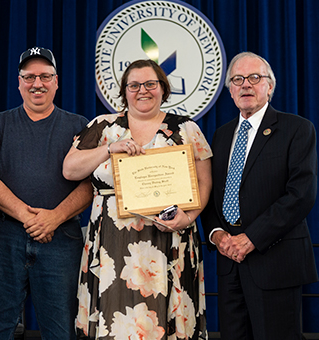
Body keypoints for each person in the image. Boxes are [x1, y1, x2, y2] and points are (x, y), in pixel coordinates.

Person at [63, 59, 211, 339]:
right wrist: (109, 149)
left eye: (150, 84)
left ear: (163, 89)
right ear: (124, 91)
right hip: (111, 246)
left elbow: (204, 181)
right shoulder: (103, 127)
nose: (142, 90)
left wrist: (188, 218)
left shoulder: (186, 129)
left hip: (171, 239)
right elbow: (70, 169)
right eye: (134, 85)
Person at [201, 52, 318, 340]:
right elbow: (213, 194)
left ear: (270, 86)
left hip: (275, 261)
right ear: (229, 90)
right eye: (238, 80)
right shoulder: (221, 135)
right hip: (230, 264)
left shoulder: (297, 129)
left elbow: (301, 194)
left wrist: (252, 237)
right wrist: (217, 234)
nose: (246, 85)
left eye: (255, 78)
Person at [0, 47, 93, 340]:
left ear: (56, 82)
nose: (37, 83)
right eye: (29, 77)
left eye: (44, 76)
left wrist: (54, 218)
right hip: (5, 237)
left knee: (60, 330)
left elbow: (91, 184)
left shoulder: (79, 126)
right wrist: (28, 218)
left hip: (62, 238)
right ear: (19, 82)